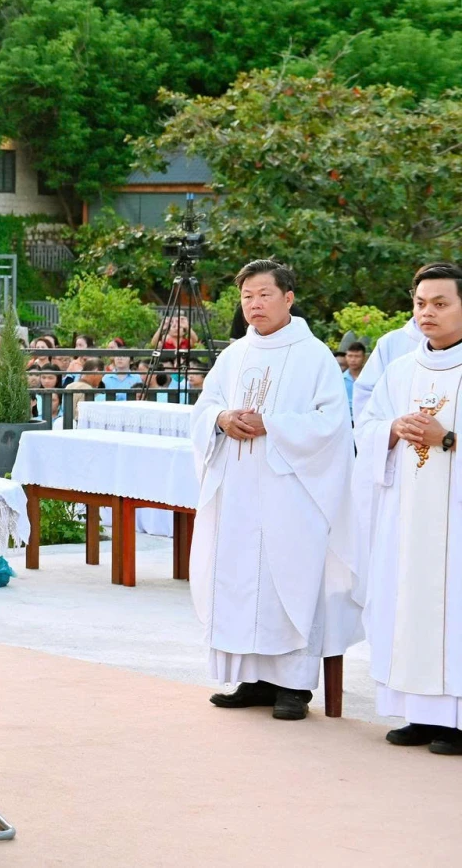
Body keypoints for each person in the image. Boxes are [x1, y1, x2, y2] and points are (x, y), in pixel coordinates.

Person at [191, 259, 360, 721]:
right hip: (239, 493)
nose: (254, 304)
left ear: (288, 298)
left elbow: (332, 426)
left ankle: (293, 687)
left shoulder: (314, 357)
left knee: (289, 582)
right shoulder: (233, 355)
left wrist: (273, 425)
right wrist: (222, 420)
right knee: (243, 580)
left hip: (292, 495)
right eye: (246, 297)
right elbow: (205, 409)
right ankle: (252, 678)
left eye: (264, 294)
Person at [352, 262, 462, 755]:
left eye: (440, 303)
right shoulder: (399, 371)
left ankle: (457, 722)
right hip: (408, 515)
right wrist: (390, 432)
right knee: (408, 603)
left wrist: (450, 438)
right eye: (421, 304)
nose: (427, 313)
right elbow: (367, 426)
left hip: (455, 522)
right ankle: (419, 714)